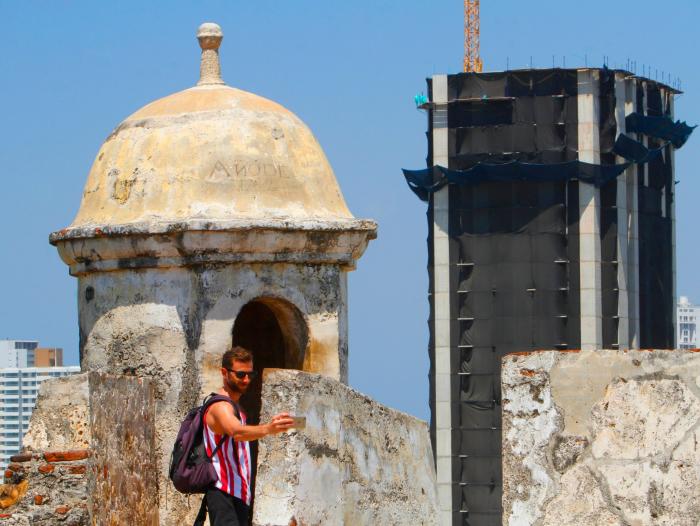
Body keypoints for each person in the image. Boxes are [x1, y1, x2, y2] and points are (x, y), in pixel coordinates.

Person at [202, 346, 294, 525]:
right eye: (240, 374)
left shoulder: (238, 409)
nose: (246, 380)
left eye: (250, 375)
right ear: (224, 372)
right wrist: (269, 429)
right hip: (223, 490)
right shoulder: (220, 406)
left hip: (239, 493)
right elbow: (236, 432)